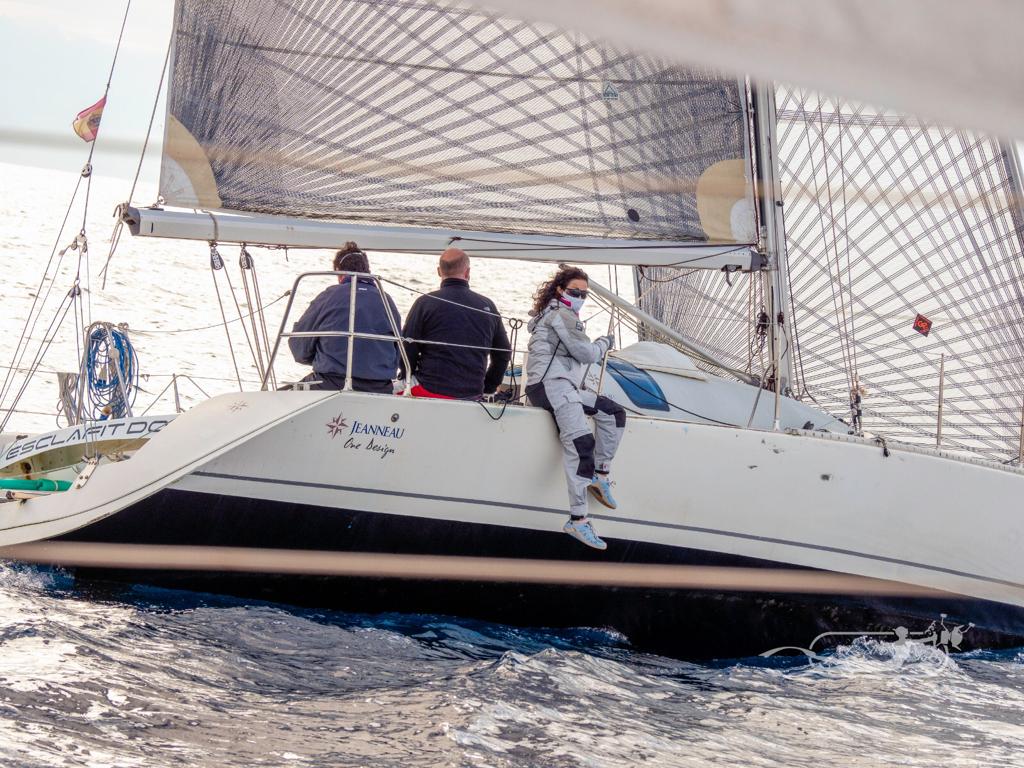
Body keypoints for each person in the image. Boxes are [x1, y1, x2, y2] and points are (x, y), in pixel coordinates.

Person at [525, 266, 626, 550]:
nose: (580, 296)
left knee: (613, 413)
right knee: (581, 443)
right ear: (560, 290)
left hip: (561, 386)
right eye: (575, 292)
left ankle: (600, 476)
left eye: (584, 293)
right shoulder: (561, 315)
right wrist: (605, 342)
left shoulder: (561, 313)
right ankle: (578, 520)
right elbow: (586, 353)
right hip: (550, 385)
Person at [288, 243, 401, 393]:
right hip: (379, 387)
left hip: (331, 383)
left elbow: (299, 347)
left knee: (278, 398)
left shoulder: (329, 296)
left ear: (338, 272)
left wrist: (319, 359)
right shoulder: (387, 300)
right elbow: (398, 351)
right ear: (367, 270)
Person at [400, 247, 511, 399]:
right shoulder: (488, 305)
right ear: (467, 273)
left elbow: (407, 347)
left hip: (429, 388)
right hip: (473, 393)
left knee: (388, 390)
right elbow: (503, 353)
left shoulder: (425, 303)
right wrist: (488, 387)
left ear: (439, 271)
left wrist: (407, 374)